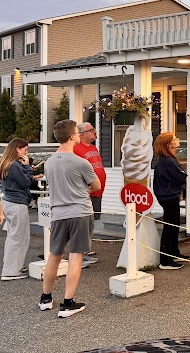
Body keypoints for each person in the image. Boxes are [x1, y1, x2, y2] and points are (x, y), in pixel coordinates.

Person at [39, 120, 100, 318]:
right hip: (80, 212)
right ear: (73, 136)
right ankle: (67, 303)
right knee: (75, 255)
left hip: (58, 213)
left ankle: (45, 298)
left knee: (54, 256)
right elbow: (96, 185)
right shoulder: (80, 162)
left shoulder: (48, 162)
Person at [0, 138, 41, 280]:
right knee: (19, 237)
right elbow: (25, 182)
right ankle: (10, 271)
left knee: (14, 236)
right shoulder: (15, 165)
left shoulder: (6, 163)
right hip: (17, 203)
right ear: (17, 149)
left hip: (8, 201)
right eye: (25, 149)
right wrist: (28, 168)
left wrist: (27, 170)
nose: (26, 152)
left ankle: (13, 265)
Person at [153, 132, 189, 270]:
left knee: (174, 225)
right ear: (168, 145)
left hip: (167, 195)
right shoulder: (167, 161)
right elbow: (181, 177)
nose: (177, 140)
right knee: (170, 225)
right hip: (168, 196)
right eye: (174, 139)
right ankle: (165, 259)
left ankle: (173, 252)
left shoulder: (166, 160)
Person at [73, 122, 106, 263]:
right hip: (86, 192)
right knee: (84, 221)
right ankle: (80, 251)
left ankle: (86, 247)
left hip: (98, 191)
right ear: (82, 134)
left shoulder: (93, 148)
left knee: (91, 221)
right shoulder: (76, 149)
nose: (94, 132)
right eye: (90, 130)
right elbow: (75, 170)